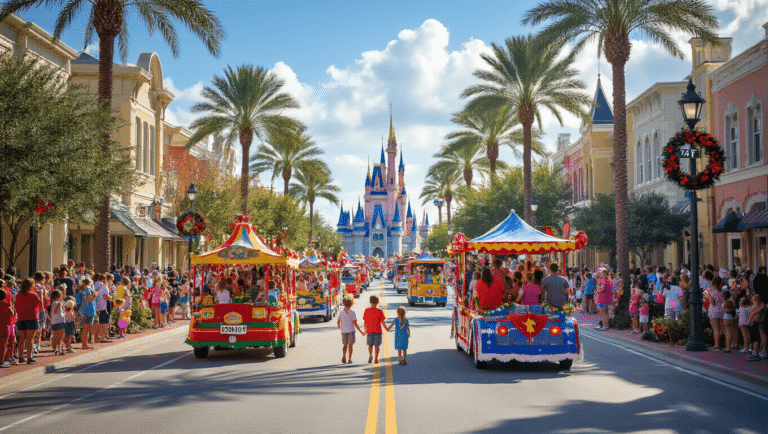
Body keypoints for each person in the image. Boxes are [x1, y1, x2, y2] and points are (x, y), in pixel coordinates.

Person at [15, 278, 42, 364]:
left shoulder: (18, 295)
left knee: (22, 339)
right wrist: (41, 295)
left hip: (21, 317)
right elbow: (41, 307)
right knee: (30, 339)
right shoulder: (34, 295)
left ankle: (21, 357)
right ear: (31, 286)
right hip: (32, 317)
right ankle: (30, 357)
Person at [337, 295, 365, 364]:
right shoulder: (352, 312)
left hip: (343, 331)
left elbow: (338, 321)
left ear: (343, 303)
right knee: (350, 345)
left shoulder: (341, 312)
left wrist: (340, 327)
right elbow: (355, 323)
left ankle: (344, 356)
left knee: (345, 344)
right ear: (352, 303)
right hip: (351, 331)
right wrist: (361, 331)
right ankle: (349, 359)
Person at [363, 294, 386, 364]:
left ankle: (370, 355)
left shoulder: (367, 310)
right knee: (377, 345)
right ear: (378, 302)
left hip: (369, 330)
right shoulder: (380, 311)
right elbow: (382, 322)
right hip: (378, 331)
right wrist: (386, 328)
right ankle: (376, 358)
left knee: (370, 345)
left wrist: (365, 330)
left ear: (370, 301)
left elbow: (365, 322)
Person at [706, 276, 725, 351]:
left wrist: (707, 296)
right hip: (721, 310)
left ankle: (717, 345)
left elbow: (712, 303)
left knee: (716, 329)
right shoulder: (723, 291)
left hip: (713, 311)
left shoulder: (712, 292)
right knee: (723, 328)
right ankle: (728, 344)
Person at [76, 278, 96, 349]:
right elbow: (89, 300)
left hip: (83, 310)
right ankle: (84, 344)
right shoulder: (88, 290)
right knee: (86, 329)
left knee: (85, 328)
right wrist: (95, 296)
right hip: (89, 311)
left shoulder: (81, 290)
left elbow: (78, 301)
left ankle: (85, 344)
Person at [746, 294, 765, 361]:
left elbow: (751, 316)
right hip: (757, 323)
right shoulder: (760, 306)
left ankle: (755, 353)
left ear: (755, 300)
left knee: (754, 338)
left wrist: (748, 322)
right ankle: (755, 352)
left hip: (753, 323)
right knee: (756, 338)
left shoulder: (754, 307)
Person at [0, 288, 15, 368]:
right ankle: (1, 361)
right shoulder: (6, 304)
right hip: (4, 326)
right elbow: (12, 313)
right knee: (3, 345)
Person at [49, 289, 66, 355]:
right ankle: (58, 349)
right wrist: (60, 305)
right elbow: (55, 311)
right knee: (60, 337)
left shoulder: (53, 303)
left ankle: (57, 349)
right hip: (58, 322)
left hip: (55, 321)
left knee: (56, 336)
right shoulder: (57, 303)